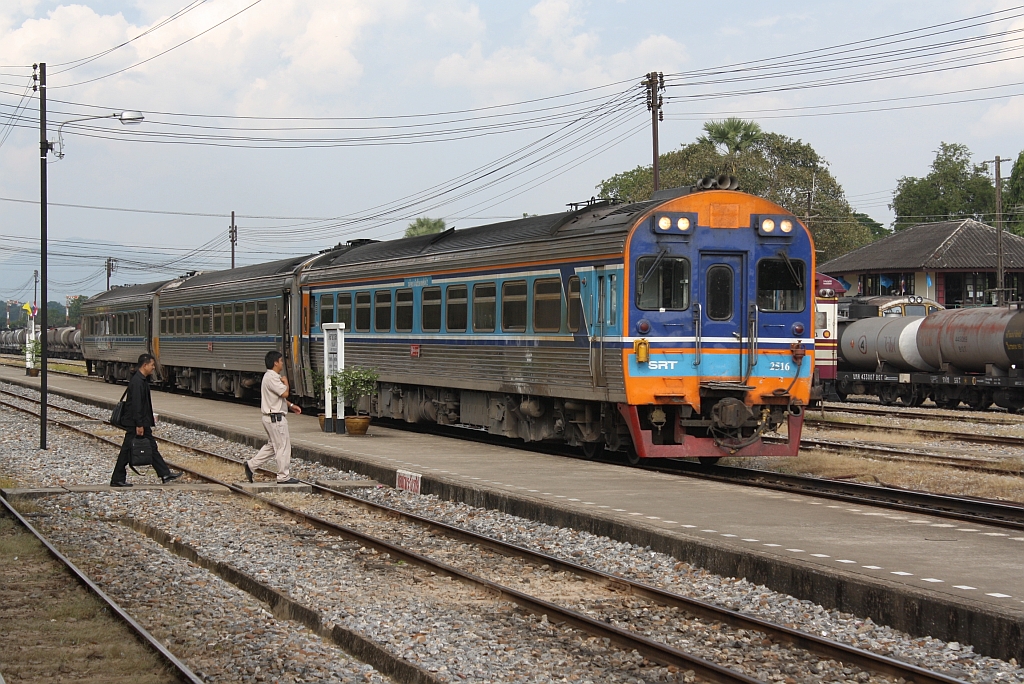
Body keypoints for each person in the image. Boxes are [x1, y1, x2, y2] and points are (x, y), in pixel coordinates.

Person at [110, 353, 182, 487]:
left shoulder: (140, 380)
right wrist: (139, 424)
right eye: (152, 365)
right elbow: (137, 405)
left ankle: (164, 473)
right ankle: (117, 478)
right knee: (127, 450)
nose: (153, 368)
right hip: (135, 422)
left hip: (140, 421)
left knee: (151, 447)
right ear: (145, 365)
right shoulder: (138, 382)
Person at [244, 351, 302, 484]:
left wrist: (291, 406)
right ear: (275, 362)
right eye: (281, 361)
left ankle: (251, 465)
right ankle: (283, 477)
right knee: (283, 447)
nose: (282, 363)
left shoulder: (268, 377)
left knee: (272, 446)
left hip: (270, 417)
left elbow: (278, 397)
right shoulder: (273, 377)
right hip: (275, 418)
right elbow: (284, 393)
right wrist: (286, 382)